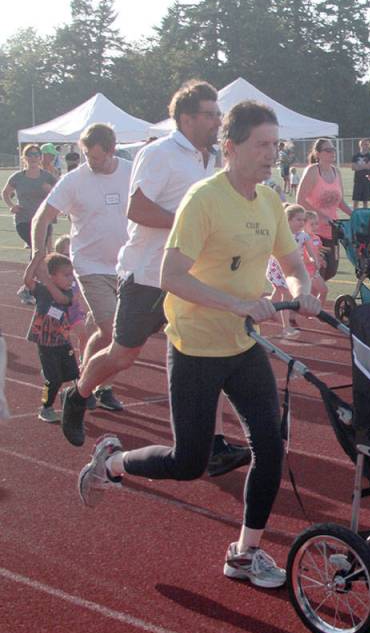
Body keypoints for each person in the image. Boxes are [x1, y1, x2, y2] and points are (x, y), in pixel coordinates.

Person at [77, 100, 322, 589]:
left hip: (243, 345)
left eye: (276, 145)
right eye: (261, 145)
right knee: (190, 462)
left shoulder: (270, 201)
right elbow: (170, 276)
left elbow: (292, 264)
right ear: (230, 148)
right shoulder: (203, 199)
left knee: (270, 446)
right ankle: (114, 462)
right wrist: (236, 304)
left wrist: (302, 292)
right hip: (194, 346)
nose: (271, 154)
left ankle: (244, 555)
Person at [61, 80, 250, 475]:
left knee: (208, 351)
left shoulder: (209, 158)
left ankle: (212, 444)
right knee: (123, 355)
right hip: (148, 274)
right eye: (210, 114)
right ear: (186, 118)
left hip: (190, 277)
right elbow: (138, 209)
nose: (217, 120)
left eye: (218, 114)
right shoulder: (159, 153)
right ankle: (78, 394)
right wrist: (191, 226)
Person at [25, 123, 131, 416]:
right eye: (85, 155)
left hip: (127, 265)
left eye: (95, 157)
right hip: (90, 265)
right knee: (113, 330)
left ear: (111, 151)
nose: (89, 162)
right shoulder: (74, 180)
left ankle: (92, 381)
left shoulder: (130, 171)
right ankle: (92, 388)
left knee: (108, 332)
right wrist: (38, 253)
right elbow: (42, 217)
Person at [25, 253, 78, 424]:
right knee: (53, 379)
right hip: (45, 342)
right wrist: (36, 258)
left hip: (62, 340)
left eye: (71, 274)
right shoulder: (41, 290)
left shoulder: (67, 292)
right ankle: (46, 407)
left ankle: (54, 379)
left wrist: (45, 279)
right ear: (53, 275)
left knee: (73, 374)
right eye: (66, 275)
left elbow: (60, 299)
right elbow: (28, 280)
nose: (71, 278)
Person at [4, 144, 57, 302]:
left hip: (43, 221)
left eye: (36, 154)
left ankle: (30, 288)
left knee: (39, 254)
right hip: (24, 220)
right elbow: (5, 192)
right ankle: (29, 288)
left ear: (40, 158)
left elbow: (61, 191)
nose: (33, 157)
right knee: (38, 252)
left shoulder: (47, 176)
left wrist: (51, 190)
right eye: (30, 154)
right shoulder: (17, 177)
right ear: (24, 158)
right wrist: (11, 206)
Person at [295, 138, 351, 281]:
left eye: (333, 150)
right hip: (314, 231)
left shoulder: (336, 172)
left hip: (332, 230)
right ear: (318, 153)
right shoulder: (313, 171)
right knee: (318, 271)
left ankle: (312, 298)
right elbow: (300, 200)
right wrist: (322, 216)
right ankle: (307, 300)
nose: (332, 153)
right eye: (328, 150)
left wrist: (356, 214)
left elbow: (340, 202)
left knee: (331, 270)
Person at [266, 204, 313, 339]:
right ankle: (286, 327)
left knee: (277, 295)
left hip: (290, 271)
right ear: (288, 220)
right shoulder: (281, 234)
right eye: (298, 220)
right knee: (286, 295)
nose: (302, 223)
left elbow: (309, 249)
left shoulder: (302, 236)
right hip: (277, 270)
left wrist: (314, 259)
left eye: (304, 220)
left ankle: (266, 305)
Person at [350, 138, 370, 208]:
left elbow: (369, 166)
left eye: (368, 144)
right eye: (365, 144)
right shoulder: (355, 156)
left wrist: (358, 167)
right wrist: (364, 166)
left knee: (365, 201)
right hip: (357, 180)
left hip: (367, 180)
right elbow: (353, 167)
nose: (367, 146)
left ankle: (364, 216)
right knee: (355, 200)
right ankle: (355, 215)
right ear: (360, 145)